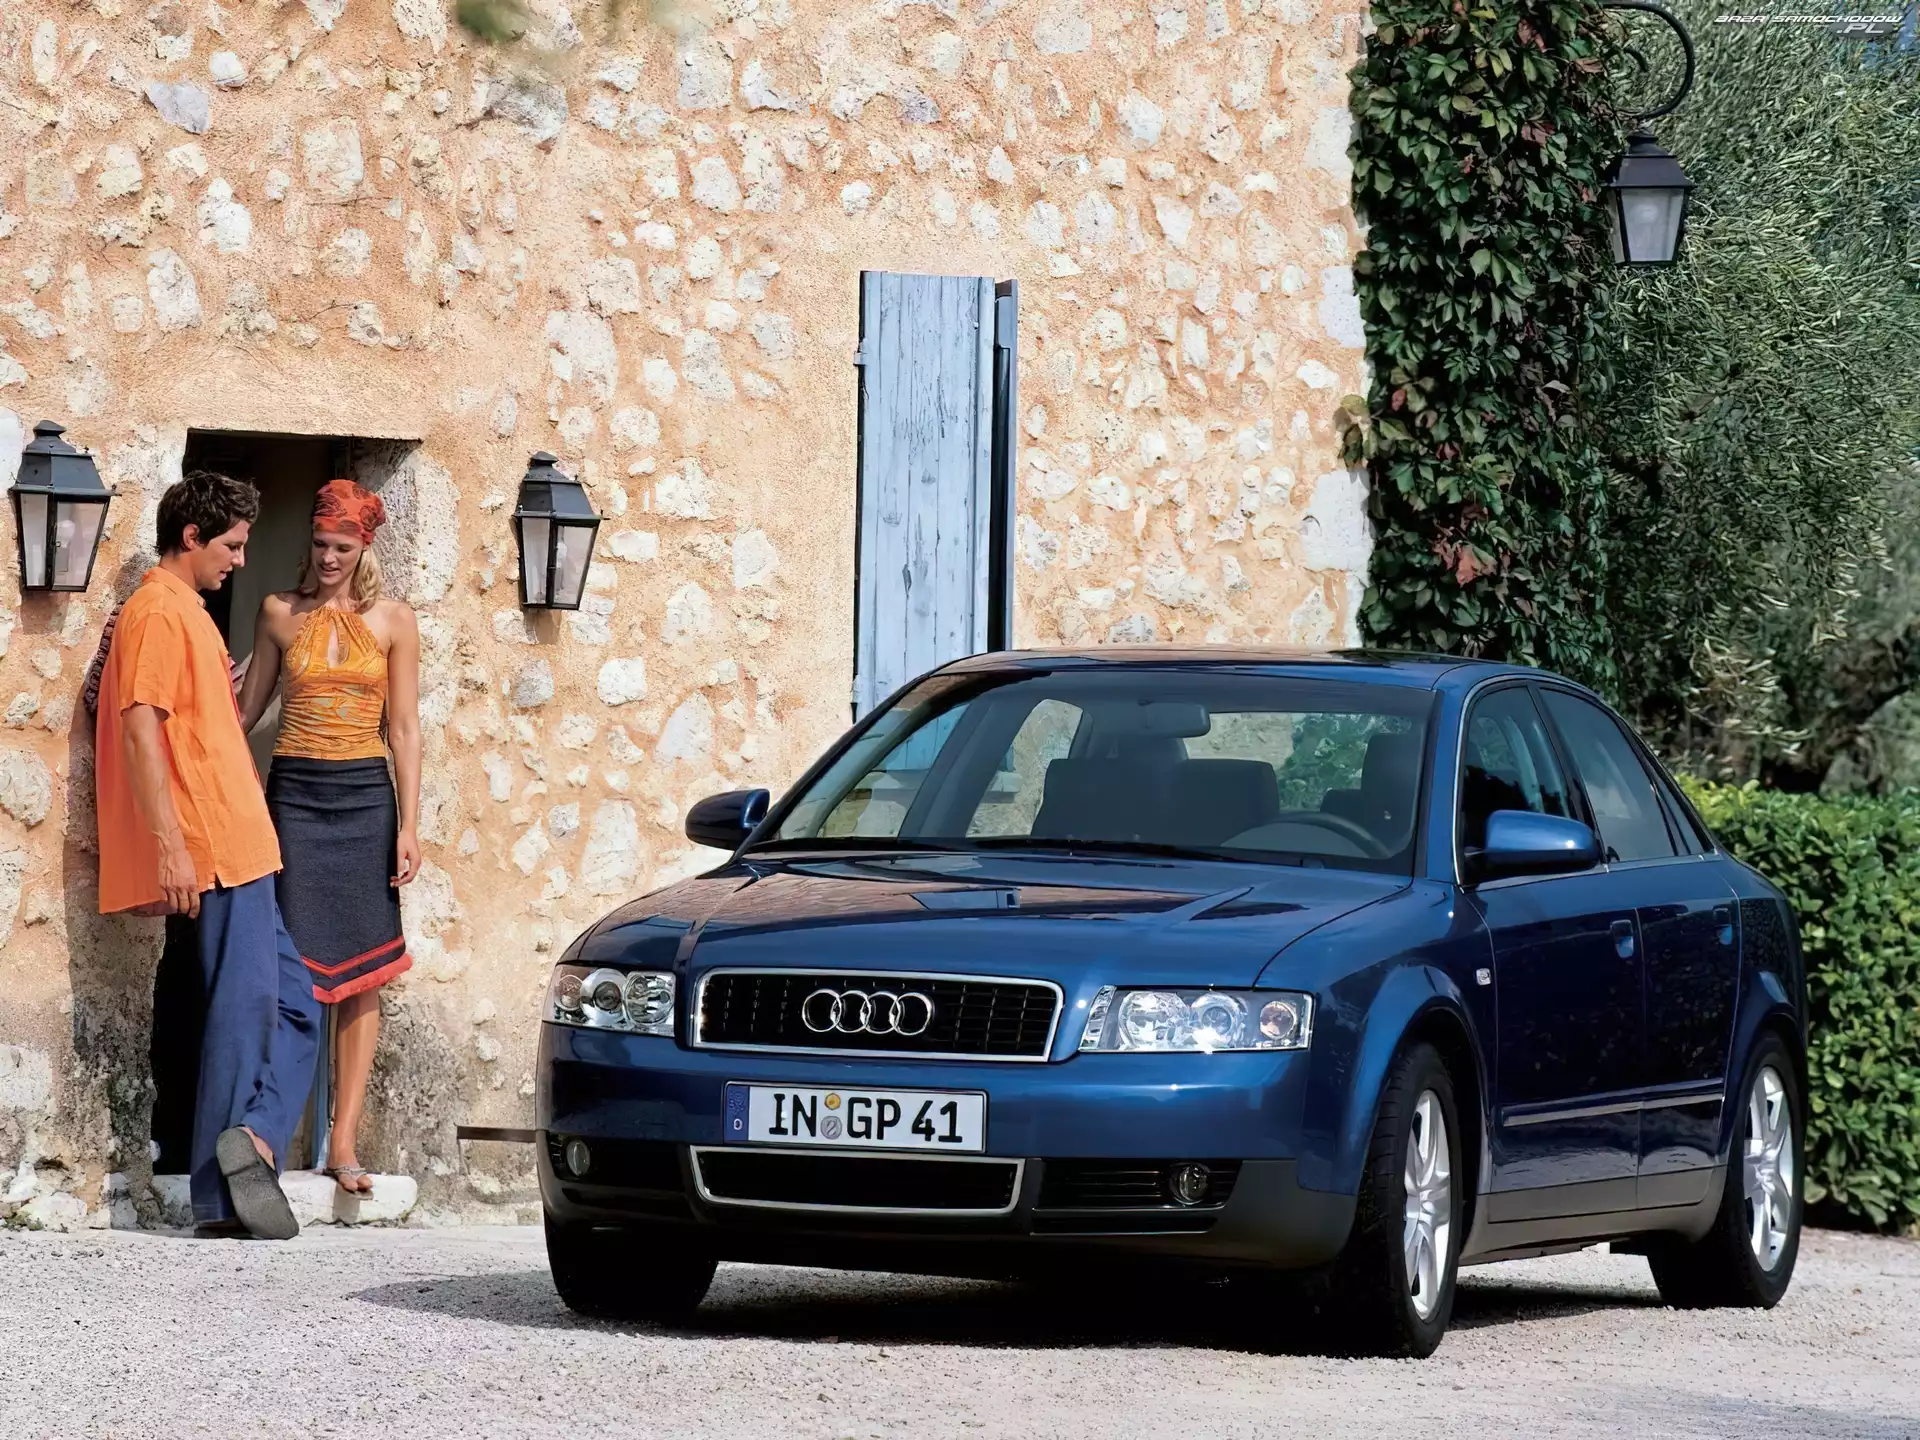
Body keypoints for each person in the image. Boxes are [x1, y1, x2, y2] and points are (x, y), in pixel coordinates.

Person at [95, 470, 318, 1240]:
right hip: (213, 841)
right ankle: (222, 1198)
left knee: (296, 1006)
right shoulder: (158, 611)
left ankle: (254, 1140)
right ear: (191, 537)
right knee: (245, 1013)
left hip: (246, 840)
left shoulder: (186, 611)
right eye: (231, 545)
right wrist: (170, 848)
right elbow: (140, 728)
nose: (239, 560)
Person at [237, 479, 421, 1196]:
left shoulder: (395, 621)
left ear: (364, 547)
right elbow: (248, 711)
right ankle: (270, 1132)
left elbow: (403, 728)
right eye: (320, 543)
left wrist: (409, 825)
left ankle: (342, 1143)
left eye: (342, 546)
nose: (329, 557)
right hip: (295, 797)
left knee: (365, 973)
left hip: (366, 801)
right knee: (291, 970)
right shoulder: (278, 612)